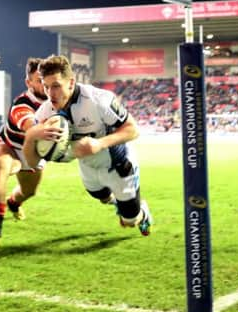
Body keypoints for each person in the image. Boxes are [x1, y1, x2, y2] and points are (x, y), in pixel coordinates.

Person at [22, 55, 153, 237]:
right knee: (103, 197)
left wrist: (99, 143)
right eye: (46, 87)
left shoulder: (98, 100)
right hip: (88, 167)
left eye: (56, 86)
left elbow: (133, 130)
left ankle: (142, 213)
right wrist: (30, 136)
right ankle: (119, 204)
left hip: (118, 165)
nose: (50, 94)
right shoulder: (45, 113)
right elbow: (32, 162)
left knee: (129, 221)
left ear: (71, 82)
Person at [0, 58, 48, 251]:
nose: (43, 84)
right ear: (29, 83)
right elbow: (31, 128)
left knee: (29, 192)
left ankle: (13, 202)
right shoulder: (22, 104)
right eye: (38, 80)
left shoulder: (57, 102)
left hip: (34, 154)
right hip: (10, 146)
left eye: (46, 79)